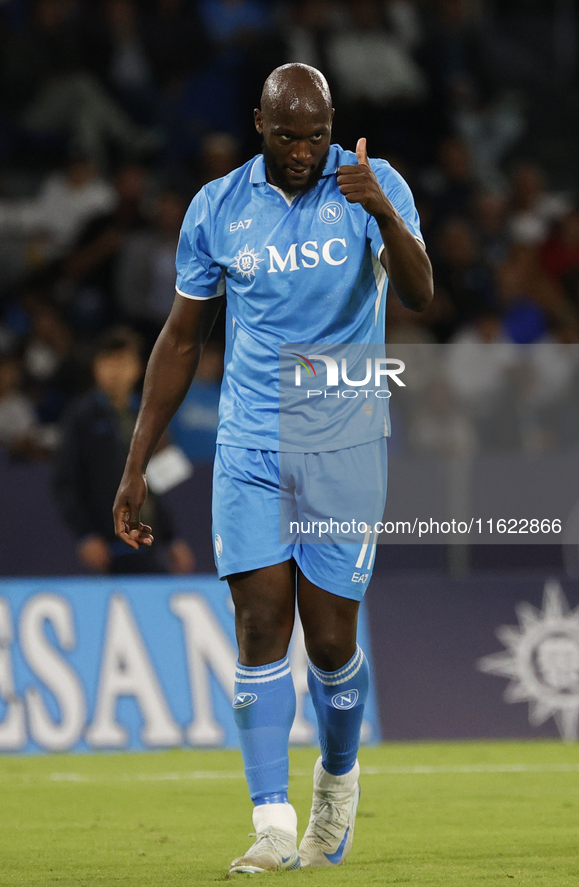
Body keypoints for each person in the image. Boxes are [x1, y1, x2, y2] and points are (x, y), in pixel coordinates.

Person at [113, 63, 432, 872]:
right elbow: (182, 338)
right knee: (260, 625)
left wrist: (381, 211)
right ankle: (272, 823)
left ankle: (337, 778)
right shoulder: (217, 207)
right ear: (259, 122)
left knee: (329, 643)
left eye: (316, 136)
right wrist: (136, 458)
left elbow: (424, 294)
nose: (303, 151)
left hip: (346, 443)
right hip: (251, 443)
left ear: (334, 126)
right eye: (287, 135)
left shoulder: (371, 184)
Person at [54, 326, 194, 575]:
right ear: (95, 367)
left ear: (138, 368)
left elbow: (158, 484)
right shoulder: (81, 417)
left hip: (150, 546)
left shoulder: (148, 416)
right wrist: (85, 535)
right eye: (108, 361)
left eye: (122, 362)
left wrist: (173, 538)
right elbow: (64, 483)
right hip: (108, 549)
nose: (115, 371)